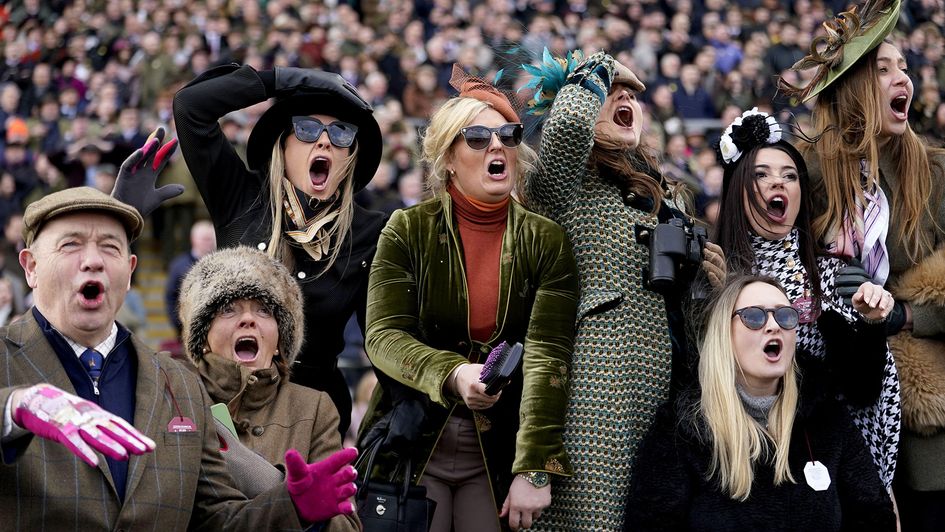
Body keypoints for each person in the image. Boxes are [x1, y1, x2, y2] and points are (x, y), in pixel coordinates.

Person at [0, 187, 359, 529]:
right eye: (70, 245)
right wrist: (13, 408)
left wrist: (292, 509)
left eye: (110, 248)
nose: (92, 260)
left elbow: (217, 520)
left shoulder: (180, 385)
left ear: (130, 271)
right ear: (30, 267)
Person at [359, 66, 579, 532]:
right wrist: (453, 374)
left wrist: (535, 467)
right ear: (449, 159)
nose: (496, 145)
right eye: (477, 137)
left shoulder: (547, 240)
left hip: (497, 451)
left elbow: (548, 359)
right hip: (414, 437)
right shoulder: (407, 229)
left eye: (507, 134)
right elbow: (382, 336)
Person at [520, 50, 725, 530]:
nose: (627, 96)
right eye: (614, 93)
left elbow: (683, 315)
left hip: (668, 395)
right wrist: (600, 65)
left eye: (633, 94)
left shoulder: (666, 193)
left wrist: (706, 283)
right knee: (594, 521)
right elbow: (569, 130)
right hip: (596, 392)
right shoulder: (565, 184)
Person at [779, 1, 945, 527]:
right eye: (883, 69)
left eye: (905, 68)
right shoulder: (803, 174)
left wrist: (907, 316)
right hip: (834, 408)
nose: (904, 78)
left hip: (924, 424)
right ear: (851, 89)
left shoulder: (937, 174)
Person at [169, 63, 388, 436]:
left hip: (314, 417)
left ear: (350, 155)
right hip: (231, 404)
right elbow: (191, 106)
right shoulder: (240, 197)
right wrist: (286, 79)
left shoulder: (370, 231)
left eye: (340, 133)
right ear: (282, 144)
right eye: (306, 129)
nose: (323, 141)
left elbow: (383, 340)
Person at [712, 107, 901, 492]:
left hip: (820, 457)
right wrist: (711, 301)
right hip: (734, 462)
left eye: (790, 175)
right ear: (737, 190)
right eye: (761, 175)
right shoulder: (711, 271)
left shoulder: (832, 275)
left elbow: (863, 391)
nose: (777, 184)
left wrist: (870, 324)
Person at [626, 275, 897, 530]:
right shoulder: (683, 429)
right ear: (724, 335)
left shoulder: (827, 418)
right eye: (753, 316)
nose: (773, 325)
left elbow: (875, 516)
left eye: (785, 315)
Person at [178, 246, 359, 531]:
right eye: (228, 308)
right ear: (203, 337)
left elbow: (346, 524)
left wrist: (311, 513)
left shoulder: (314, 408)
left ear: (279, 341)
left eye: (264, 310)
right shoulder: (177, 397)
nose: (248, 319)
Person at [166, 220, 216, 337]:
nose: (209, 243)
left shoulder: (223, 263)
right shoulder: (179, 265)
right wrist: (179, 325)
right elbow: (171, 297)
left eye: (211, 239)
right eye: (205, 239)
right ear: (193, 239)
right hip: (187, 330)